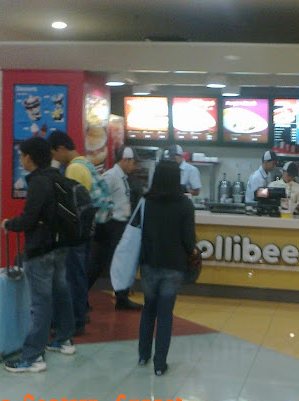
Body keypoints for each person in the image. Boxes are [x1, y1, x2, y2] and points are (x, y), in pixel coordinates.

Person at [2, 137, 76, 373]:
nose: (20, 159)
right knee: (61, 291)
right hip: (59, 246)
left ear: (29, 157)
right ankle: (64, 340)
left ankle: (33, 356)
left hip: (41, 249)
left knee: (40, 302)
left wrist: (8, 224)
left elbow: (29, 218)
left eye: (22, 155)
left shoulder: (38, 182)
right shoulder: (57, 177)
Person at [138, 160, 196, 376]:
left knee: (148, 309)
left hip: (148, 263)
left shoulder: (146, 202)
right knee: (165, 314)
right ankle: (160, 364)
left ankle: (144, 355)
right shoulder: (184, 205)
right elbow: (189, 239)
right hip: (173, 266)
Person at [48, 130, 92, 336]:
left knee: (72, 277)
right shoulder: (86, 163)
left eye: (54, 154)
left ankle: (75, 320)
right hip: (86, 229)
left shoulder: (73, 169)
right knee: (79, 274)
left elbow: (70, 205)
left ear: (62, 148)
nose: (54, 159)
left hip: (74, 232)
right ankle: (80, 315)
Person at [89, 145, 143, 310]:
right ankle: (80, 296)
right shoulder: (111, 176)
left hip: (121, 226)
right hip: (110, 227)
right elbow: (99, 199)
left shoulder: (124, 177)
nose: (135, 167)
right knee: (98, 263)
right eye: (134, 162)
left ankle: (122, 297)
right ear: (125, 160)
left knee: (123, 263)